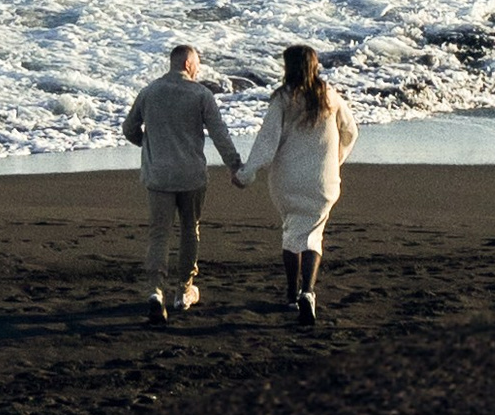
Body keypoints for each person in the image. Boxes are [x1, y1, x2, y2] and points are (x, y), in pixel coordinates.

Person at [236, 40, 358, 328]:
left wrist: (246, 173)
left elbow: (267, 143)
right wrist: (335, 160)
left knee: (292, 232)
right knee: (313, 235)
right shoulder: (329, 95)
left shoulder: (282, 98)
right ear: (314, 66)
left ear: (288, 67)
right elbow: (350, 131)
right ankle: (308, 291)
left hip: (288, 180)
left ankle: (292, 293)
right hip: (322, 181)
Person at [122, 39, 243, 323]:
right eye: (197, 64)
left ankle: (155, 292)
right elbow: (219, 134)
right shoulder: (200, 94)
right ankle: (183, 291)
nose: (199, 69)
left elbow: (129, 128)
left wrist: (149, 146)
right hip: (191, 176)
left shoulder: (149, 92)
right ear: (189, 64)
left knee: (159, 234)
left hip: (159, 174)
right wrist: (235, 165)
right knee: (190, 230)